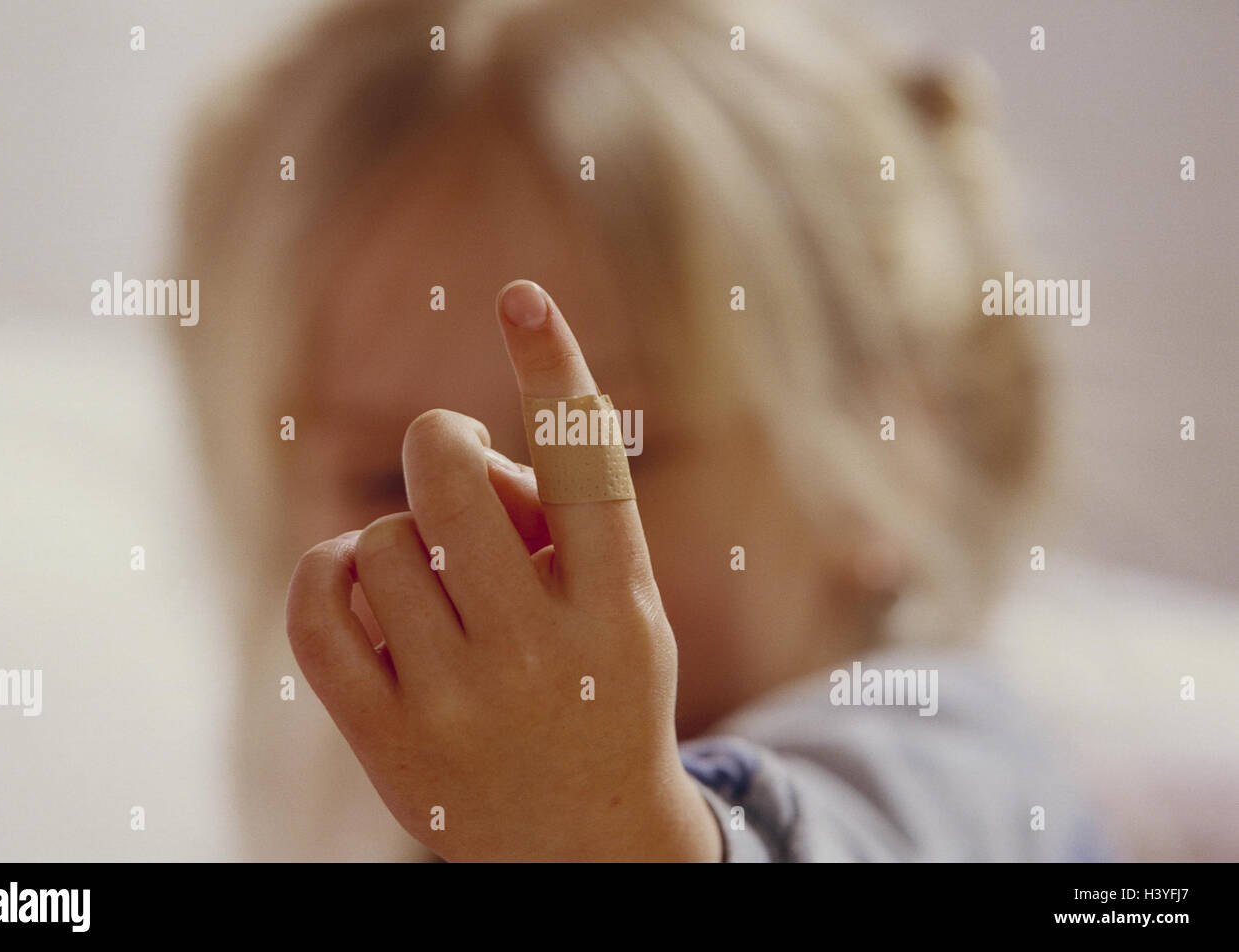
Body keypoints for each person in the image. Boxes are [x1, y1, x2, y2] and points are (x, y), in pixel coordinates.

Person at [175, 0, 1103, 860]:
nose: (486, 538)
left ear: (895, 452)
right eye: (387, 478)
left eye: (611, 452)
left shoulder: (942, 752)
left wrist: (615, 830)